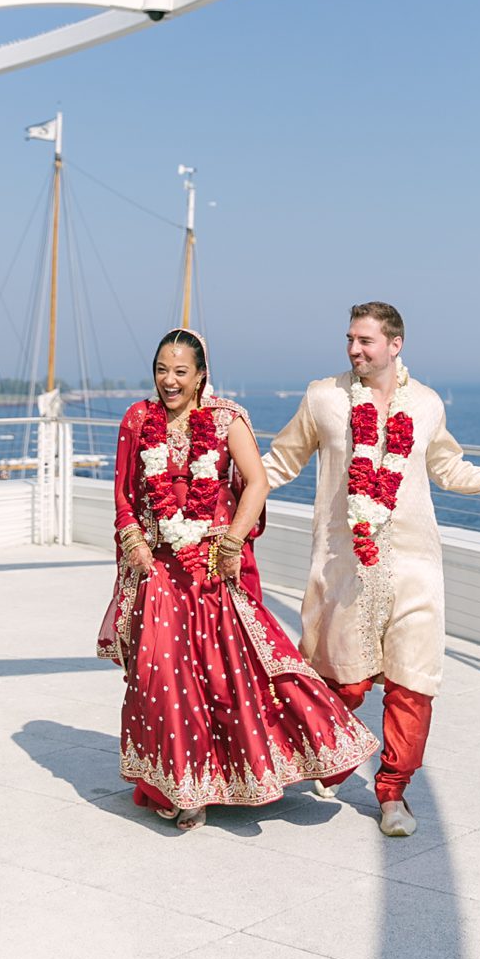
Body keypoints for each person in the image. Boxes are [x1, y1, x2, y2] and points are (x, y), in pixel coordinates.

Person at [261, 302, 480, 837]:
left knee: (412, 683)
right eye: (349, 339)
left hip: (416, 564)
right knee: (338, 680)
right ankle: (334, 759)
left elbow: (447, 466)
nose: (353, 349)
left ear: (395, 345)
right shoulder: (323, 397)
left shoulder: (428, 405)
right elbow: (280, 462)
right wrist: (224, 503)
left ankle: (394, 794)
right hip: (344, 565)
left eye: (365, 341)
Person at [98, 329, 378, 830]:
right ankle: (185, 787)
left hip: (212, 568)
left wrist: (230, 542)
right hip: (158, 566)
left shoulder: (227, 419)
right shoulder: (138, 419)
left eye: (181, 371)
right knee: (162, 674)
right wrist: (134, 541)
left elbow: (258, 483)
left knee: (224, 674)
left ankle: (246, 767)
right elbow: (122, 493)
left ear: (201, 374)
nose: (169, 380)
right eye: (162, 369)